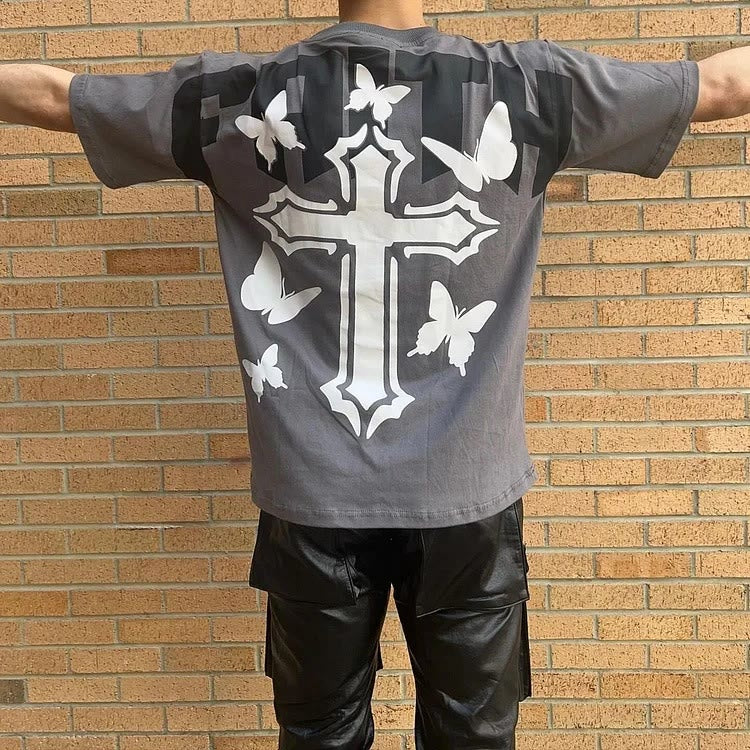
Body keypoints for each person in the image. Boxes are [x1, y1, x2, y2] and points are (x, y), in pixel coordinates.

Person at [0, 0, 746, 747]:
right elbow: (719, 86)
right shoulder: (527, 88)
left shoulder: (238, 98)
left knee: (320, 735)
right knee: (473, 736)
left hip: (312, 493)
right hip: (466, 494)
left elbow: (54, 97)